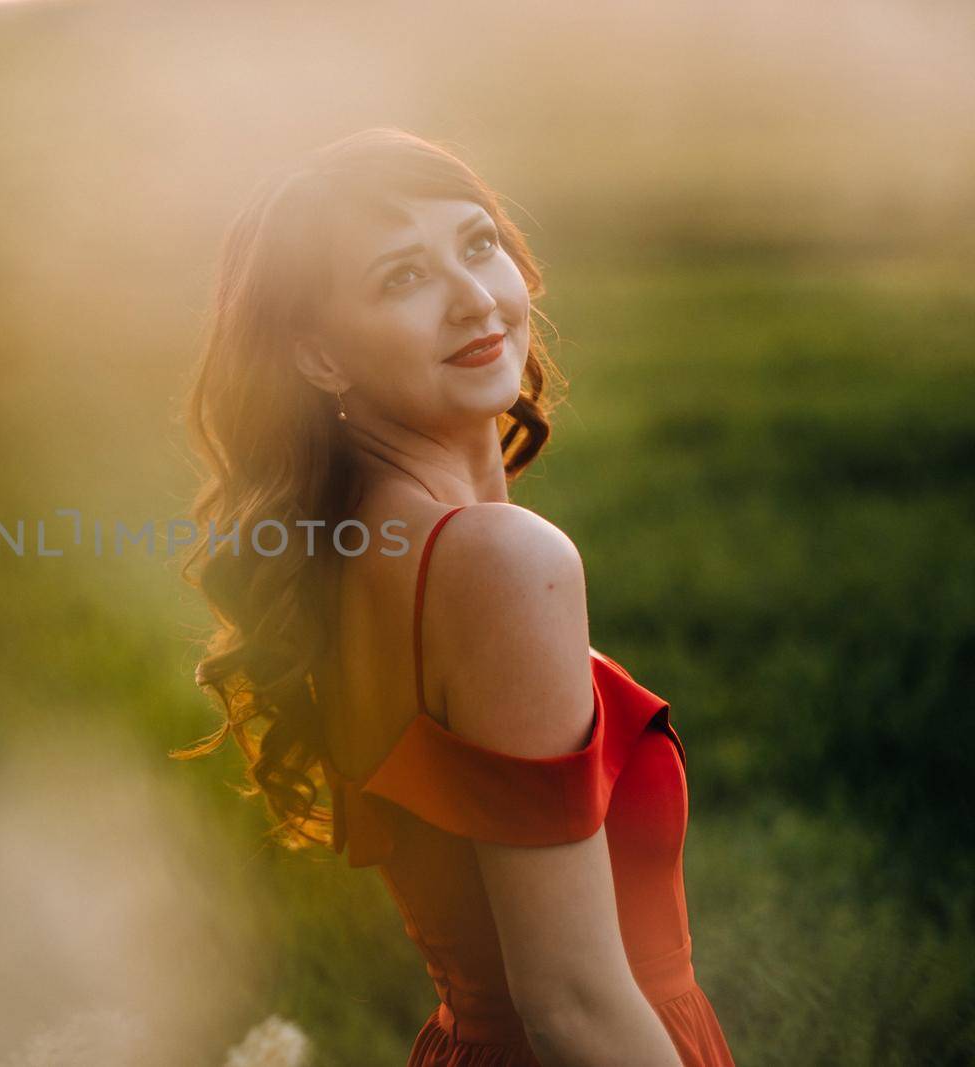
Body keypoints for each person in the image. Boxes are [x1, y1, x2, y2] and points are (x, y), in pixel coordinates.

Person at [175, 127, 736, 1066]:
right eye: (402, 278)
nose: (474, 299)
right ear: (318, 357)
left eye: (478, 245)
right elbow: (573, 1004)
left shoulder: (353, 540)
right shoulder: (495, 560)